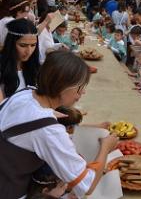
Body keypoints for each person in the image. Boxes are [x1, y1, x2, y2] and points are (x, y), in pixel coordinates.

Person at [0, 51, 118, 198]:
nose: (82, 93)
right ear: (64, 88)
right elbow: (87, 184)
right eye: (79, 89)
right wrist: (105, 148)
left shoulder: (25, 94)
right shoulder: (47, 130)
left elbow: (21, 122)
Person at [0, 19, 39, 102]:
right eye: (23, 45)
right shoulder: (2, 68)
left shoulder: (34, 67)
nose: (29, 51)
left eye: (33, 45)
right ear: (11, 43)